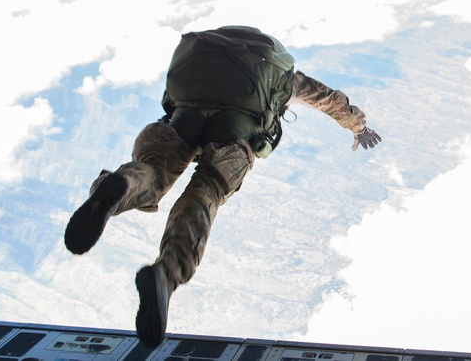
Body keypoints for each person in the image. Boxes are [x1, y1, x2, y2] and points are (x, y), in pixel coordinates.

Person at [63, 26, 382, 347]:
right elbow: (332, 101)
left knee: (153, 172)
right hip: (236, 132)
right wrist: (358, 127)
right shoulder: (286, 79)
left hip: (181, 118)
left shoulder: (203, 56)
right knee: (205, 194)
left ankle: (119, 189)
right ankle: (166, 274)